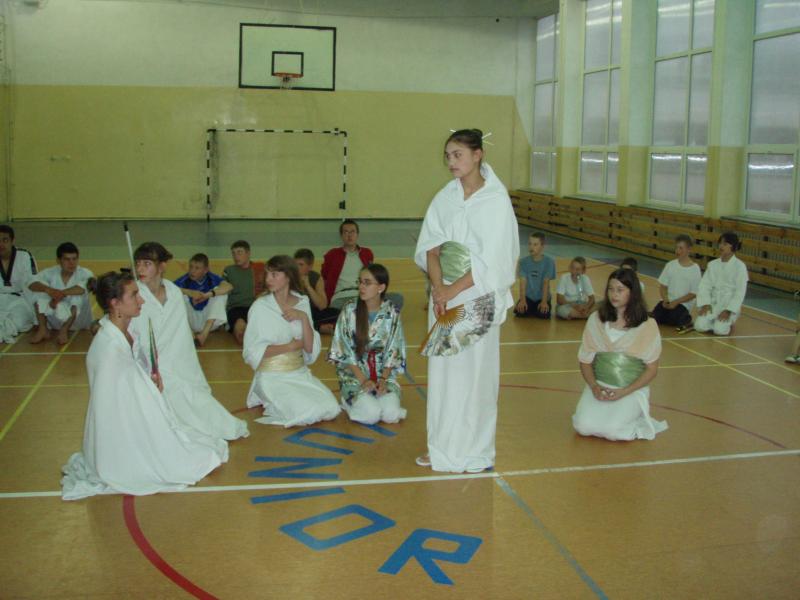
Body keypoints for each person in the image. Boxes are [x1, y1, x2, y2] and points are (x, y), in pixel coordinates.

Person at [61, 271, 228, 500]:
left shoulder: (127, 330)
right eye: (134, 295)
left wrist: (150, 377)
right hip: (121, 428)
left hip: (136, 413)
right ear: (115, 304)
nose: (141, 300)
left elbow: (135, 373)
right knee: (182, 459)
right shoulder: (109, 347)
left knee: (198, 448)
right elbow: (111, 402)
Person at [414, 128, 519, 473]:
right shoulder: (444, 197)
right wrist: (438, 289)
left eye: (457, 154)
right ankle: (442, 446)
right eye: (447, 155)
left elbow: (495, 261)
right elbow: (431, 248)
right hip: (443, 297)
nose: (451, 162)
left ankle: (475, 450)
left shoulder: (496, 201)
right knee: (444, 373)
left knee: (476, 376)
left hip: (477, 295)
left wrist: (452, 289)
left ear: (478, 155)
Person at [132, 242, 248, 441]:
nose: (140, 269)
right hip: (148, 368)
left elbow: (181, 336)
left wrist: (183, 367)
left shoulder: (173, 292)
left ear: (162, 266)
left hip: (179, 363)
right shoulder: (134, 295)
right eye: (138, 264)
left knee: (199, 404)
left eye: (147, 264)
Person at [243, 255, 340, 427]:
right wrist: (291, 346)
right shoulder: (260, 307)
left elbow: (308, 348)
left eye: (274, 275)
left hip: (299, 374)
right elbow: (253, 351)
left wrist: (303, 317)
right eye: (267, 274)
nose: (268, 279)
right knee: (308, 412)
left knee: (331, 408)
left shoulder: (302, 302)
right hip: (272, 377)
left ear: (288, 276)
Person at [572, 268, 667, 441]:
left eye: (620, 290)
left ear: (632, 293)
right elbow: (585, 361)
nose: (614, 294)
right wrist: (594, 386)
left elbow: (652, 369)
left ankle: (636, 418)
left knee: (613, 431)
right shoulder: (596, 319)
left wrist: (624, 392)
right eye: (611, 289)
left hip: (630, 389)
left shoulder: (647, 325)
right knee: (583, 426)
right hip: (600, 385)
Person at [328, 264, 407, 425]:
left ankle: (375, 400)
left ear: (381, 287)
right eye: (360, 282)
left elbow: (394, 350)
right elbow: (344, 351)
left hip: (383, 375)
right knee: (371, 415)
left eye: (367, 282)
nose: (361, 287)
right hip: (354, 377)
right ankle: (349, 402)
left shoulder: (391, 312)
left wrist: (383, 379)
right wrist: (364, 380)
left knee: (391, 414)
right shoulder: (349, 310)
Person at [319, 220, 404, 333]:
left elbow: (373, 276)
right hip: (341, 298)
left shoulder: (367, 253)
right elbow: (324, 276)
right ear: (341, 235)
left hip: (364, 295)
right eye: (346, 232)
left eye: (352, 232)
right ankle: (370, 321)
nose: (349, 235)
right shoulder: (332, 255)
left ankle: (358, 322)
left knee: (397, 298)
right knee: (339, 312)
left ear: (357, 234)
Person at [28, 242, 94, 345]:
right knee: (39, 293)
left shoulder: (85, 273)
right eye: (67, 259)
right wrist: (49, 291)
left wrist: (59, 294)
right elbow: (31, 284)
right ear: (58, 260)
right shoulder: (50, 272)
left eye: (74, 259)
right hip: (54, 323)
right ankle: (43, 329)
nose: (71, 263)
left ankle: (64, 330)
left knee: (77, 296)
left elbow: (83, 288)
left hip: (79, 323)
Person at [693, 232, 749, 336]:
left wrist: (728, 310)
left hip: (727, 305)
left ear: (733, 246)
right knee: (699, 326)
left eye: (725, 244)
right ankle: (714, 322)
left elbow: (740, 292)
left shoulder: (740, 267)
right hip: (712, 304)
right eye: (720, 243)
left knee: (719, 331)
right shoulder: (712, 264)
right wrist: (705, 304)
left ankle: (727, 323)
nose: (721, 246)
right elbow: (704, 286)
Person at [174, 253, 232, 346]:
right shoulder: (185, 279)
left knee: (221, 294)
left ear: (205, 270)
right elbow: (167, 289)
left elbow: (229, 286)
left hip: (209, 323)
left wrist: (206, 295)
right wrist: (189, 292)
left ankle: (203, 336)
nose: (192, 271)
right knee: (177, 294)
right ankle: (190, 334)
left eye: (197, 268)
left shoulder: (212, 278)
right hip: (191, 322)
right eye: (191, 267)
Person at [652, 234, 702, 331]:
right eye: (676, 248)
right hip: (668, 301)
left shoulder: (695, 269)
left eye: (681, 248)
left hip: (683, 304)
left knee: (674, 317)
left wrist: (676, 302)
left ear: (689, 249)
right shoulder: (670, 265)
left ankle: (687, 319)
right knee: (655, 316)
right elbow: (663, 287)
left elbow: (693, 293)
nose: (677, 251)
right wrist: (666, 300)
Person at [0, 225, 37, 343]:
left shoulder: (24, 256)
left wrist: (36, 315)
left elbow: (32, 283)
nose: (1, 244)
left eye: (5, 240)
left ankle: (4, 330)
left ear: (12, 240)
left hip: (20, 301)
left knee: (19, 322)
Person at [223, 240, 265, 344]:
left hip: (257, 308)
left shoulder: (260, 269)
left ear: (248, 253)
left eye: (239, 252)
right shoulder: (228, 270)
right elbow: (222, 288)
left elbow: (270, 288)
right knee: (241, 333)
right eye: (233, 253)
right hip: (236, 309)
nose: (236, 256)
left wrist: (263, 294)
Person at [514, 232, 556, 319]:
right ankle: (531, 308)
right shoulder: (523, 262)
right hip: (528, 297)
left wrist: (544, 302)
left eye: (535, 244)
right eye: (530, 244)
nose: (531, 247)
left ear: (542, 246)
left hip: (542, 297)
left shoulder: (549, 262)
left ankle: (535, 309)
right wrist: (522, 300)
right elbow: (523, 282)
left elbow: (545, 282)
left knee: (543, 315)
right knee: (520, 313)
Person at [294, 248, 332, 330]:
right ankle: (318, 327)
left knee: (335, 313)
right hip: (294, 311)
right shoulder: (288, 276)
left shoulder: (316, 278)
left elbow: (322, 306)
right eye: (295, 264)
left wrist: (308, 286)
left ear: (310, 267)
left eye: (301, 264)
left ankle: (315, 327)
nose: (296, 268)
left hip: (312, 312)